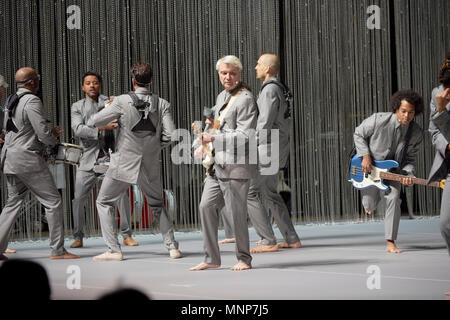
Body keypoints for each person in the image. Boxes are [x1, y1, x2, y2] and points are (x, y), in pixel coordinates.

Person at [86, 62, 181, 261]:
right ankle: (172, 248)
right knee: (157, 204)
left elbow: (93, 121)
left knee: (104, 202)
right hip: (150, 163)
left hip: (124, 163)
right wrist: (156, 145)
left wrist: (108, 106)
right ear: (151, 80)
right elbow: (172, 135)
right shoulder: (162, 103)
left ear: (133, 80)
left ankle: (114, 250)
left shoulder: (120, 101)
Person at [0, 67, 80, 260]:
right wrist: (52, 138)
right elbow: (42, 133)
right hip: (27, 160)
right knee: (53, 202)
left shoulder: (11, 99)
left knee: (12, 204)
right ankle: (58, 250)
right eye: (37, 79)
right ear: (31, 82)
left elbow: (12, 130)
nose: (38, 83)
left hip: (9, 158)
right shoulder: (32, 100)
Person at [190, 55, 257, 271]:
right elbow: (217, 127)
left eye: (232, 73)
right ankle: (212, 259)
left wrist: (213, 139)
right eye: (224, 73)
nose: (228, 77)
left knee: (236, 213)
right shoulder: (222, 96)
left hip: (236, 166)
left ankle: (244, 259)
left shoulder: (245, 99)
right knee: (206, 206)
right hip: (217, 165)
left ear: (239, 74)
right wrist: (203, 144)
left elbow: (245, 135)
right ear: (219, 74)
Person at [70, 71, 138, 248]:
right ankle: (78, 236)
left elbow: (123, 123)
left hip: (110, 156)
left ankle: (126, 234)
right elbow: (78, 129)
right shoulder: (77, 106)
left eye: (95, 82)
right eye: (88, 83)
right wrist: (102, 127)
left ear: (100, 85)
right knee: (78, 198)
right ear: (83, 87)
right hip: (88, 159)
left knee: (121, 195)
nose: (92, 85)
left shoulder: (111, 102)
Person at [354, 90, 424, 253]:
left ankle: (390, 241)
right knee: (370, 203)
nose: (407, 116)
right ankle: (369, 202)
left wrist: (408, 175)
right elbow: (358, 133)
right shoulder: (379, 119)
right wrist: (365, 156)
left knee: (394, 198)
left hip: (394, 172)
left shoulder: (417, 133)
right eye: (403, 111)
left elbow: (410, 161)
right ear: (396, 109)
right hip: (370, 169)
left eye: (411, 112)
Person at [249, 53, 302, 252]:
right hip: (276, 147)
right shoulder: (278, 88)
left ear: (268, 68)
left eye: (258, 64)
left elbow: (264, 123)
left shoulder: (270, 89)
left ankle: (267, 239)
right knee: (270, 193)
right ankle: (291, 237)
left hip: (268, 148)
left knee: (250, 191)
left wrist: (251, 147)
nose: (255, 67)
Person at [427, 52, 450, 296]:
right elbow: (434, 133)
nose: (445, 93)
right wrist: (447, 146)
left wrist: (443, 113)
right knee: (446, 224)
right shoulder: (438, 94)